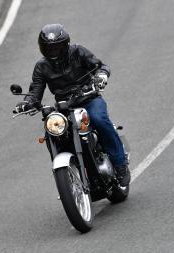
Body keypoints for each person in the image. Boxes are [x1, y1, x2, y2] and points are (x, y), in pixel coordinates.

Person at [15, 24, 130, 187]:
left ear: (66, 44)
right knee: (53, 133)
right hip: (64, 107)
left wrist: (101, 75)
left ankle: (120, 165)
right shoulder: (41, 66)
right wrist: (27, 103)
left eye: (57, 47)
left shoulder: (78, 52)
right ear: (42, 48)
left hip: (89, 99)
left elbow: (100, 66)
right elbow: (35, 90)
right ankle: (66, 178)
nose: (54, 52)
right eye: (49, 48)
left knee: (99, 119)